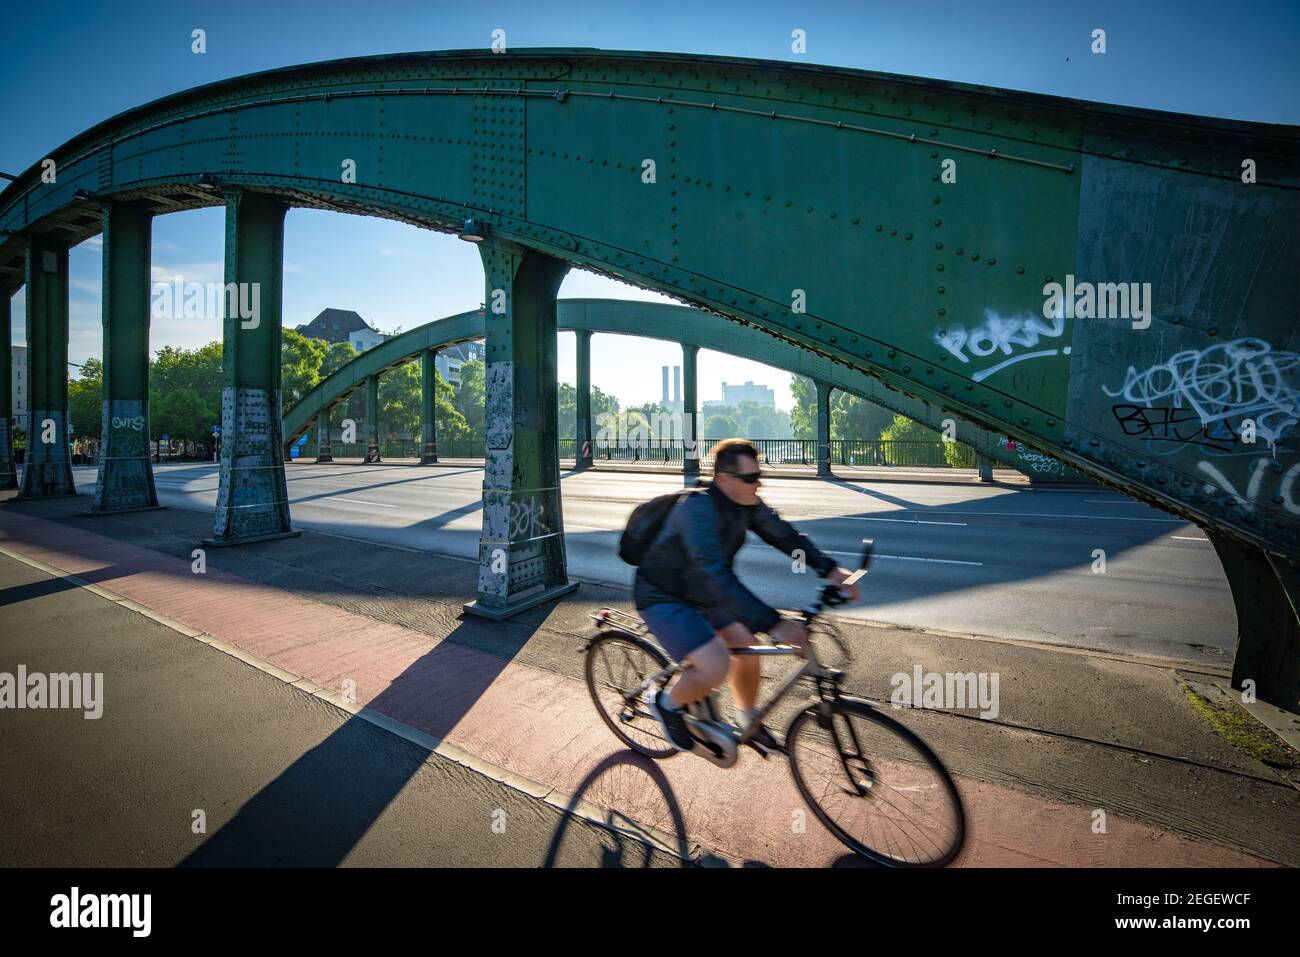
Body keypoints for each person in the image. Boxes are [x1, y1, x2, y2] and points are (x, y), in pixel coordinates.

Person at [634, 438, 861, 756]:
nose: (758, 483)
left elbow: (784, 536)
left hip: (705, 593)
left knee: (748, 647)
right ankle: (665, 703)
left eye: (759, 475)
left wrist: (829, 570)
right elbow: (715, 574)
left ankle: (746, 717)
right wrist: (776, 624)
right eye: (750, 477)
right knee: (715, 666)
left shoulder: (746, 504)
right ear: (724, 478)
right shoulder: (697, 510)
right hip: (665, 596)